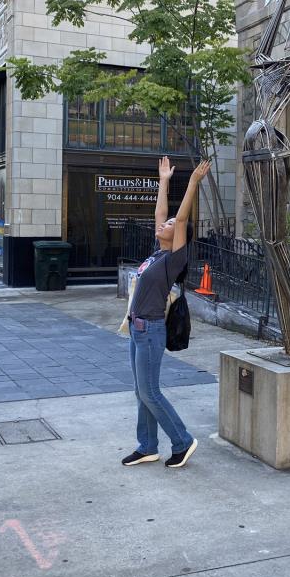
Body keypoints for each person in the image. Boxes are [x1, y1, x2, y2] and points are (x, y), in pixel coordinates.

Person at [122, 156, 210, 470]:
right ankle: (147, 446)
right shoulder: (158, 254)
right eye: (165, 223)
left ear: (178, 236)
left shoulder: (174, 260)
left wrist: (192, 183)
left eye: (170, 225)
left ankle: (182, 441)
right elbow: (161, 214)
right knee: (140, 391)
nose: (165, 223)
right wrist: (163, 182)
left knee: (150, 391)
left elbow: (181, 219)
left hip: (151, 331)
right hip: (136, 330)